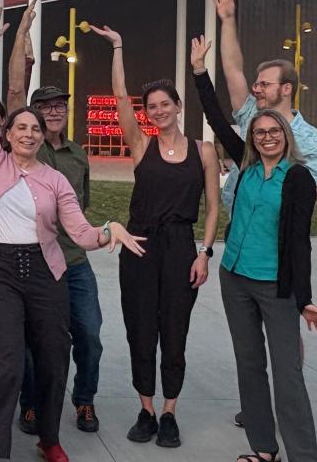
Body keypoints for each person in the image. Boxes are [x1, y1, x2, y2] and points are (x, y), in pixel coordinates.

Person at [0, 6, 145, 462]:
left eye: (35, 129)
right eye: (20, 126)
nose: (27, 133)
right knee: (4, 361)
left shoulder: (56, 179)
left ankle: (49, 437)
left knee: (54, 355)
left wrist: (109, 230)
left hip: (45, 270)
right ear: (6, 133)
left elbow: (79, 232)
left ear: (43, 136)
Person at [191, 36, 317, 462]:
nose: (267, 136)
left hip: (276, 285)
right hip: (236, 278)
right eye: (259, 132)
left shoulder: (299, 179)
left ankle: (303, 455)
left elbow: (298, 244)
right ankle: (264, 449)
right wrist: (199, 72)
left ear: (285, 135)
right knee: (249, 367)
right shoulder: (247, 165)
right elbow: (216, 120)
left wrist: (303, 298)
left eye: (273, 131)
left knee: (287, 375)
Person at [91, 25, 220, 448]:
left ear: (179, 107)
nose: (159, 110)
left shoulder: (203, 151)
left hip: (181, 248)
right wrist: (119, 47)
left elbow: (215, 207)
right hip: (140, 247)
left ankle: (170, 413)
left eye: (166, 104)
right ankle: (146, 409)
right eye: (152, 106)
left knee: (175, 332)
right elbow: (117, 92)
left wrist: (204, 253)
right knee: (141, 330)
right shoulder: (140, 143)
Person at [4, 0, 108, 436]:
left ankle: (83, 400)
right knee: (33, 341)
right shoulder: (26, 146)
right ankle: (30, 404)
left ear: (66, 110)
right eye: (43, 106)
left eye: (58, 105)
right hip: (34, 261)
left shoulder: (78, 154)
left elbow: (80, 207)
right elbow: (12, 92)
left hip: (75, 261)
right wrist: (22, 31)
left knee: (88, 334)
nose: (52, 111)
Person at [214, 0, 317, 205]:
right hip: (238, 226)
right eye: (256, 84)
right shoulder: (250, 113)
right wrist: (228, 20)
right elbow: (233, 69)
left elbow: (307, 199)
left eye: (264, 84)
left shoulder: (312, 141)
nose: (256, 89)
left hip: (275, 232)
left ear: (286, 89)